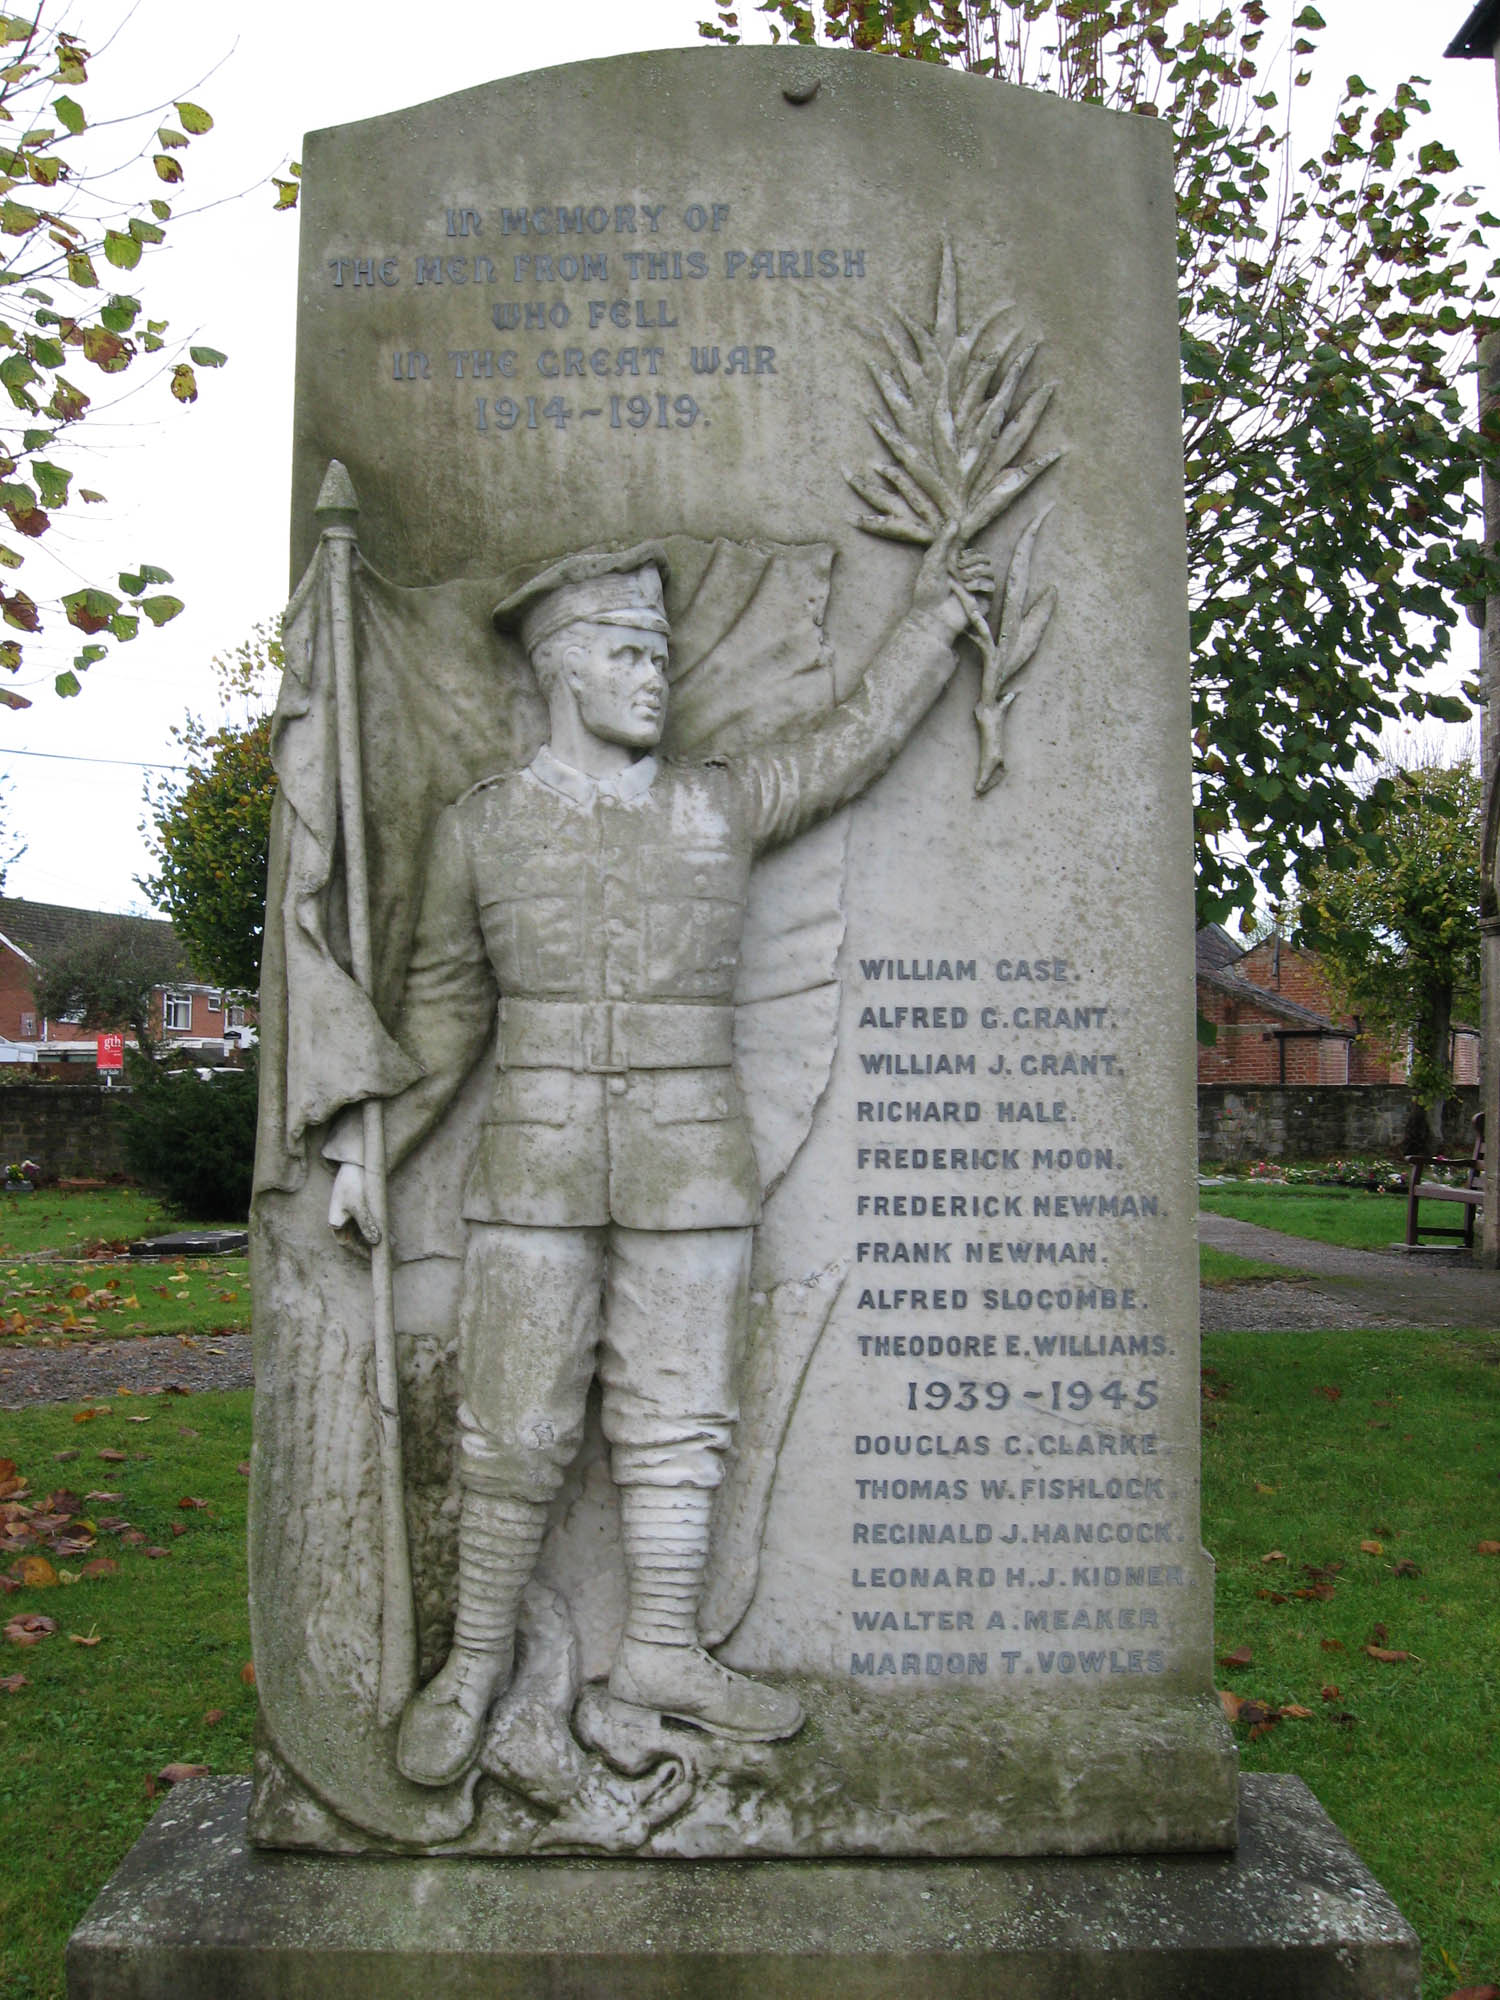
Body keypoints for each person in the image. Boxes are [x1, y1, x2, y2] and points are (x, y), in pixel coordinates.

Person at [328, 528, 990, 1787]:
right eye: (629, 653)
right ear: (565, 670)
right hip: (532, 1168)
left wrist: (933, 624)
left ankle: (666, 1650)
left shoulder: (719, 803)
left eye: (664, 655)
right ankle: (472, 1665)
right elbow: (443, 1018)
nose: (655, 678)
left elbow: (848, 747)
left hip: (693, 1168)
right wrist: (370, 1147)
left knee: (679, 1424)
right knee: (509, 1430)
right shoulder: (483, 829)